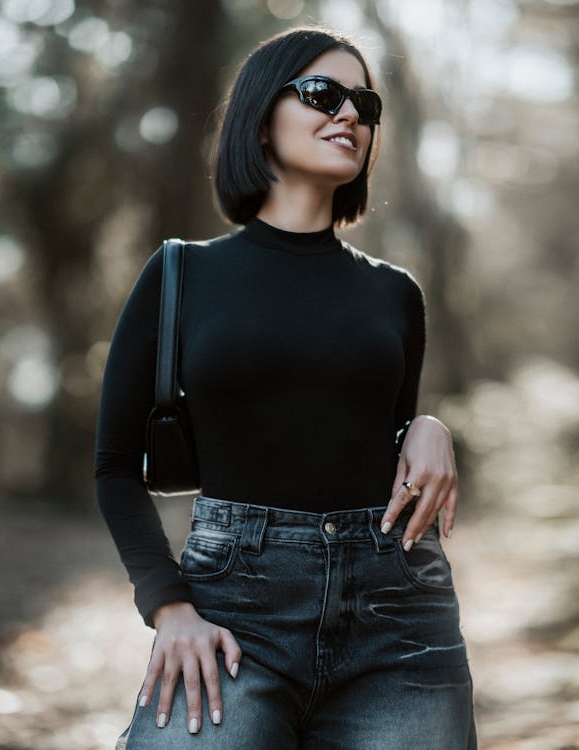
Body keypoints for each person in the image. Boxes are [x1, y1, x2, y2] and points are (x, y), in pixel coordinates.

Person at [94, 25, 478, 750]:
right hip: (235, 612)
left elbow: (366, 436)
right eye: (321, 93)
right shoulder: (181, 275)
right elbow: (115, 467)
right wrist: (168, 607)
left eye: (365, 103)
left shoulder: (396, 295)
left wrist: (428, 426)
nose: (351, 115)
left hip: (398, 616)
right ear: (259, 118)